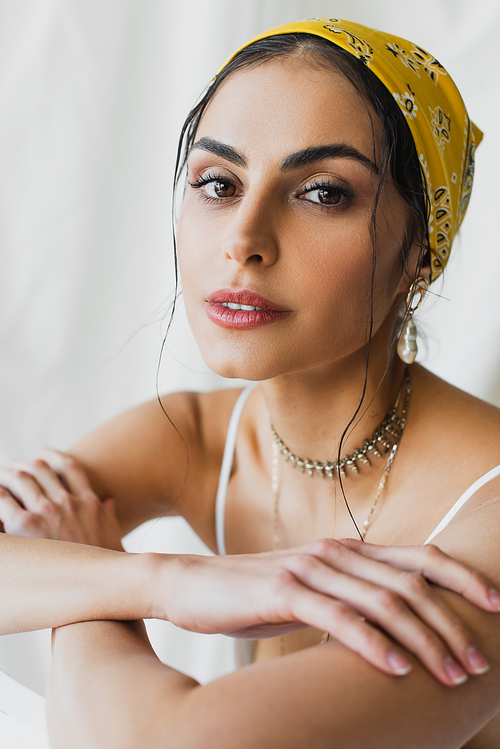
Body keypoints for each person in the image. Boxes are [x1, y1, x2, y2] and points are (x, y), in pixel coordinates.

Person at [0, 17, 499, 748]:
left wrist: (87, 583)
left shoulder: (487, 514)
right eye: (218, 183)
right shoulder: (199, 437)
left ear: (420, 251)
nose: (242, 239)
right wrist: (168, 583)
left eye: (324, 192)